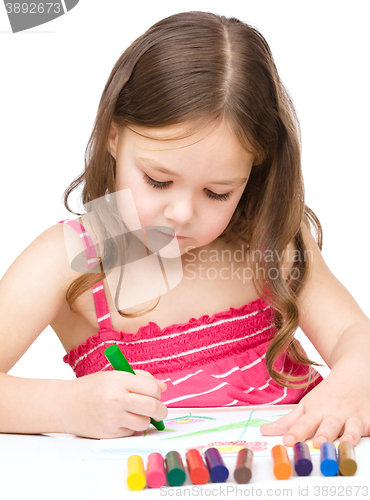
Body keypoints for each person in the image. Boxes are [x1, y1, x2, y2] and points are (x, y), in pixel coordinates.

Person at [0, 11, 369, 447]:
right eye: (158, 180)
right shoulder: (69, 258)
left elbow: (353, 335)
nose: (180, 212)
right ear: (114, 137)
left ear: (255, 169)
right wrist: (65, 406)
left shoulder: (269, 239)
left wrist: (353, 382)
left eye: (217, 192)